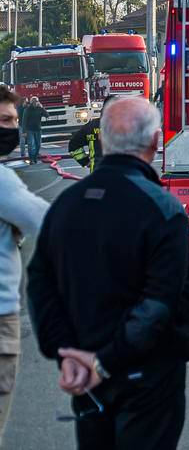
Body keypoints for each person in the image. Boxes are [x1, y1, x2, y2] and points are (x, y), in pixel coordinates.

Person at [27, 96, 189, 449]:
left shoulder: (65, 205)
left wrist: (66, 353)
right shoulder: (162, 208)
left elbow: (39, 284)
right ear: (156, 141)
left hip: (84, 373)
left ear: (104, 139)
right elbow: (160, 301)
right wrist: (105, 361)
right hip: (146, 376)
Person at [0, 84, 49, 439]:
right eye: (4, 120)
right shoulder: (3, 182)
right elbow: (46, 223)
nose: (11, 129)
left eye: (13, 120)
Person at [19, 96, 44, 164]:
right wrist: (24, 131)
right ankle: (24, 155)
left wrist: (41, 108)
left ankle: (35, 156)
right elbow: (22, 119)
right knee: (25, 142)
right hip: (24, 127)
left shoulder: (32, 108)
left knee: (37, 144)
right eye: (26, 101)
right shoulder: (22, 108)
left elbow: (46, 115)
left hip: (34, 128)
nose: (27, 103)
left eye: (27, 102)